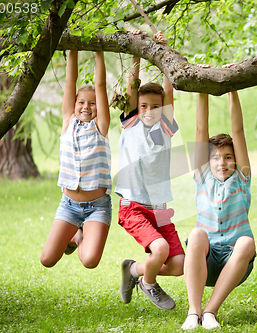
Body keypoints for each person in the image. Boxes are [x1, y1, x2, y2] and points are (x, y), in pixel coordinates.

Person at [181, 64, 256, 330]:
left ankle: (210, 312)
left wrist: (232, 88)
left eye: (228, 157)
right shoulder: (202, 178)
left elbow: (239, 133)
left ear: (236, 161)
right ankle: (193, 312)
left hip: (235, 261)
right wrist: (203, 88)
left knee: (247, 241)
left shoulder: (242, 178)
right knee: (197, 233)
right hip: (207, 258)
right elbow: (201, 130)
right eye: (215, 158)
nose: (222, 162)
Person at [116, 30, 185, 311]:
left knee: (179, 264)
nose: (149, 111)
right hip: (132, 205)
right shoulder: (131, 124)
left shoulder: (165, 127)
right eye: (143, 106)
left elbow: (169, 93)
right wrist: (137, 52)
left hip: (159, 207)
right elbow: (133, 86)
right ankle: (149, 283)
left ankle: (134, 271)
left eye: (155, 107)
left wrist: (164, 51)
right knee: (161, 250)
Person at [40, 50, 112, 269]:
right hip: (68, 206)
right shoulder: (67, 122)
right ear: (74, 104)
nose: (86, 107)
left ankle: (79, 236)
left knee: (89, 261)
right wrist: (72, 49)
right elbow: (70, 81)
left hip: (97, 207)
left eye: (92, 104)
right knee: (47, 260)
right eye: (81, 102)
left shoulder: (101, 127)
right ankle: (77, 233)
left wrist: (99, 52)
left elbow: (100, 86)